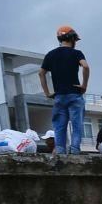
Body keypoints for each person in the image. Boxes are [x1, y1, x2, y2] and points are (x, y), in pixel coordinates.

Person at [38, 25, 89, 155]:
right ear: (72, 38)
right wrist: (84, 86)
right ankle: (75, 151)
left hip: (59, 96)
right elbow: (86, 67)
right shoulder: (77, 53)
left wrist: (47, 93)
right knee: (76, 126)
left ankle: (60, 153)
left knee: (60, 127)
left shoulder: (50, 55)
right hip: (74, 95)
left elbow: (41, 73)